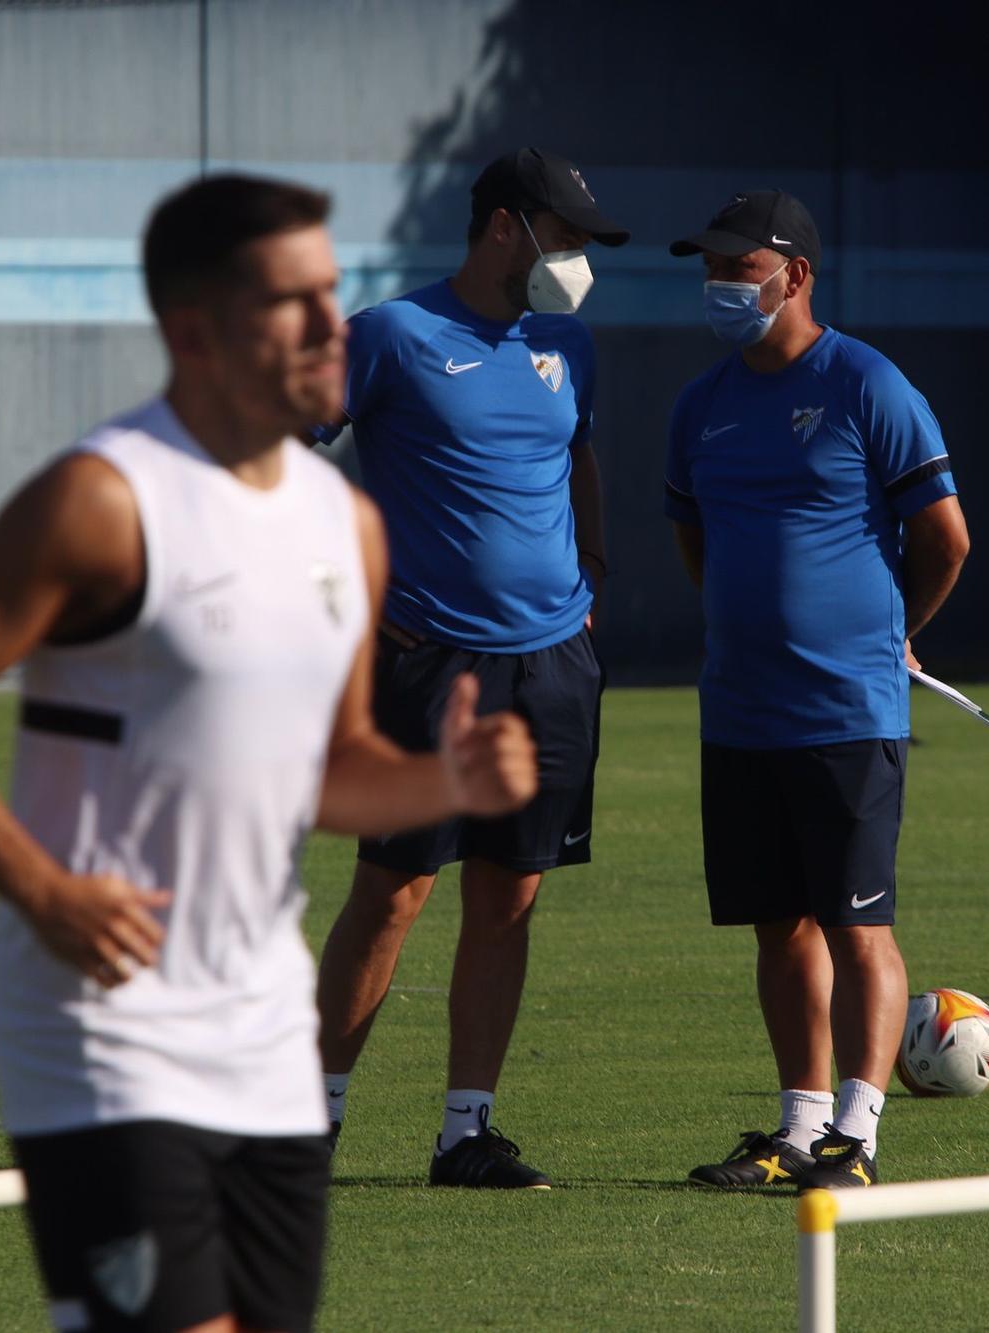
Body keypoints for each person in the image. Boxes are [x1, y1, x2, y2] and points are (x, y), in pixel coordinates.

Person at [0, 173, 537, 1333]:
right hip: (105, 1023)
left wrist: (443, 783)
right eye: (292, 300)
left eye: (332, 290)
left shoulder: (343, 523)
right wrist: (42, 889)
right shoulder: (105, 499)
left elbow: (328, 765)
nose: (332, 323)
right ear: (194, 328)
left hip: (265, 1031)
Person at [307, 148, 627, 1189]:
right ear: (505, 227)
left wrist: (586, 592)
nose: (576, 260)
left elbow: (576, 464)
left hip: (553, 665)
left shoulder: (566, 343)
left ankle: (466, 1132)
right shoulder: (390, 336)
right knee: (392, 893)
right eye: (567, 237)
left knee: (509, 893)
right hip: (429, 664)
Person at [663, 190, 971, 1192]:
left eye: (736, 267)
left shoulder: (866, 384)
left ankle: (856, 1133)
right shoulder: (700, 403)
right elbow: (693, 536)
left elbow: (944, 537)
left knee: (855, 924)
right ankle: (795, 1132)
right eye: (709, 268)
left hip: (845, 711)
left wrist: (893, 636)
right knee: (777, 924)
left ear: (793, 275)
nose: (718, 284)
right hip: (739, 710)